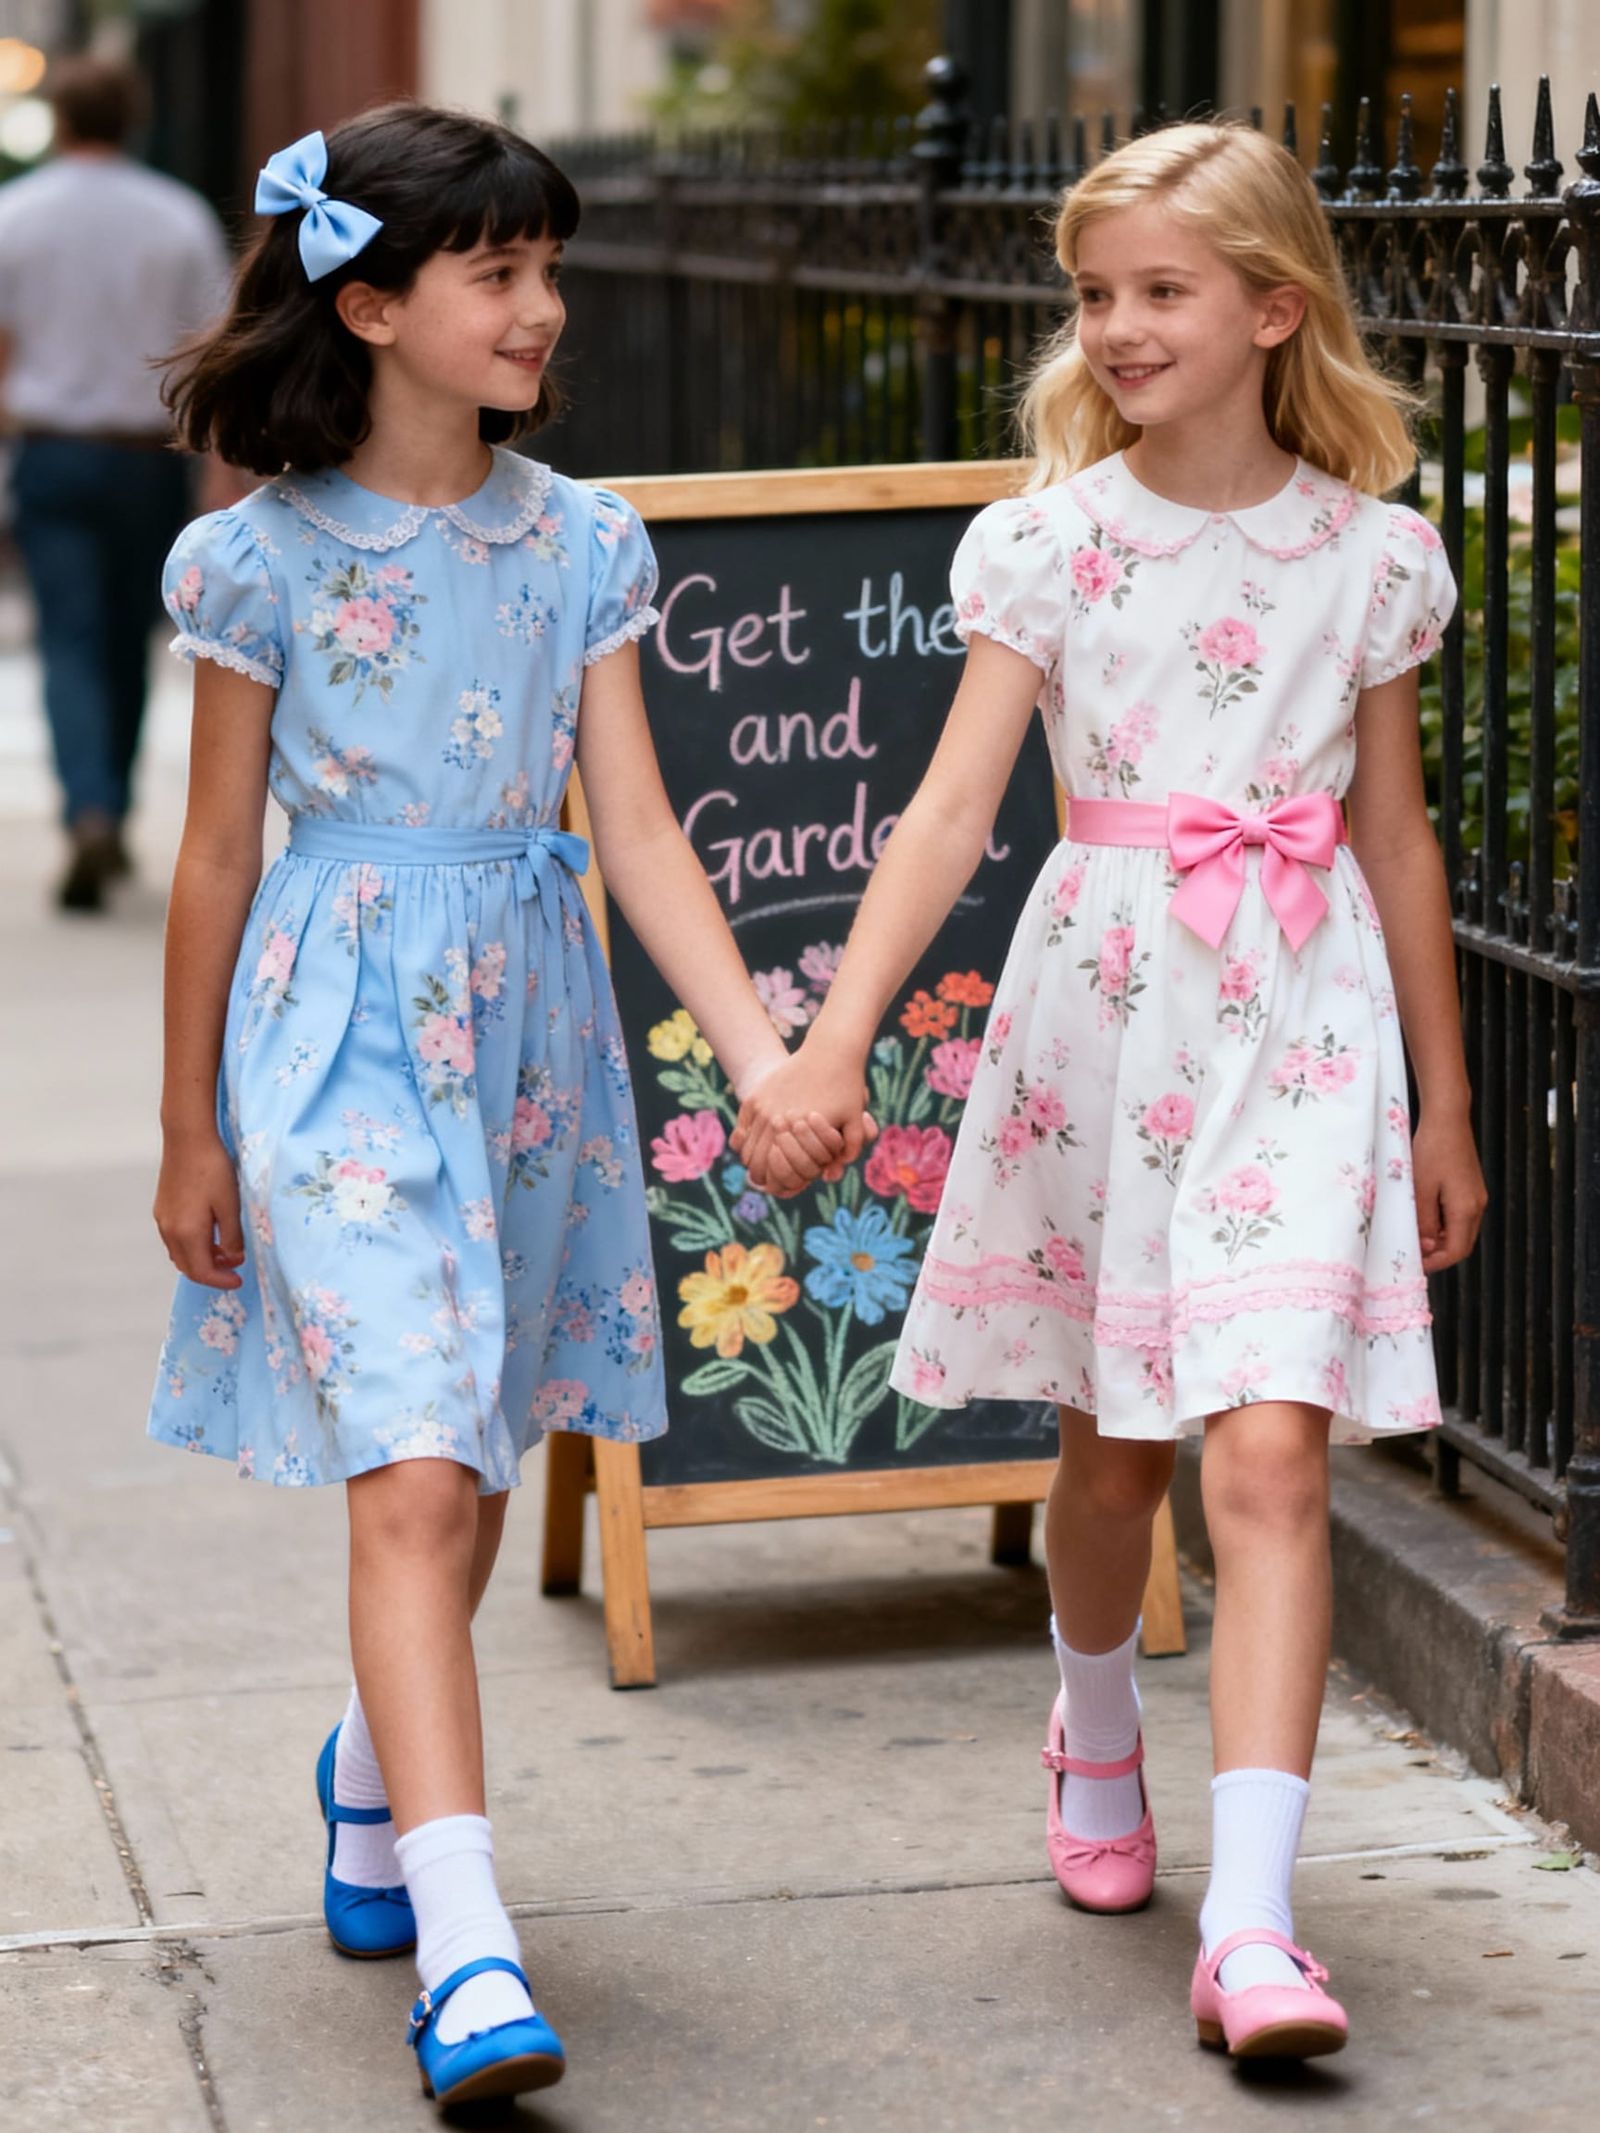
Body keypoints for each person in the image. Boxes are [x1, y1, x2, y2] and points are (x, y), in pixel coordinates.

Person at [734, 121, 1485, 2063]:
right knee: (1113, 1459)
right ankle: (1088, 1707)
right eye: (1095, 295)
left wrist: (1443, 1100)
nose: (1118, 326)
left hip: (1303, 1017)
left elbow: (1394, 839)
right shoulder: (1049, 541)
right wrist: (827, 1038)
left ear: (1268, 306)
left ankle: (1248, 1924)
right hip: (1110, 1024)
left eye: (1160, 290)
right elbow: (950, 811)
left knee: (1267, 1458)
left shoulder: (1375, 557)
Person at [147, 103, 856, 2111]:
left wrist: (750, 1040)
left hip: (527, 1032)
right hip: (334, 1032)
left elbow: (633, 823)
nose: (542, 308)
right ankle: (469, 1945)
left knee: (459, 1437)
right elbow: (213, 857)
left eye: (548, 271)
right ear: (367, 303)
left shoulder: (584, 542)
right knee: (409, 1455)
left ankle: (372, 1774)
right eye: (498, 273)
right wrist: (193, 1129)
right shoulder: (248, 560)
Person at [0, 53, 231, 911]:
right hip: (149, 454)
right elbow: (213, 352)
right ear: (133, 119)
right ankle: (114, 809)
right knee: (131, 640)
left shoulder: (14, 215)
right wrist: (222, 467)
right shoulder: (176, 219)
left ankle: (87, 808)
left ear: (58, 120)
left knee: (66, 635)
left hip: (52, 449)